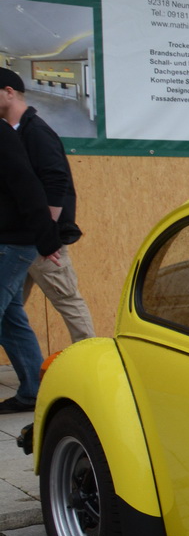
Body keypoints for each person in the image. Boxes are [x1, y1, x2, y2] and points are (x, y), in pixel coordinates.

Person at [0, 69, 92, 346]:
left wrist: (47, 231)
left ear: (9, 92)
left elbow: (56, 181)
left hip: (42, 241)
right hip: (19, 240)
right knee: (11, 313)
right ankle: (31, 382)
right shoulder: (11, 132)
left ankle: (89, 360)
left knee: (67, 300)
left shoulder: (36, 131)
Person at [0, 118, 67, 413]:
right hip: (11, 239)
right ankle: (32, 392)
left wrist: (47, 237)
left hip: (14, 242)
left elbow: (27, 183)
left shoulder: (4, 134)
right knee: (10, 318)